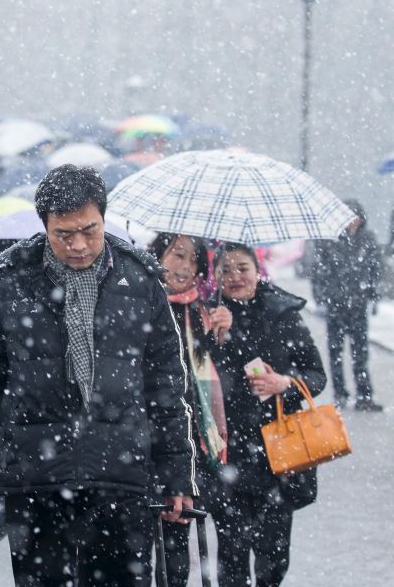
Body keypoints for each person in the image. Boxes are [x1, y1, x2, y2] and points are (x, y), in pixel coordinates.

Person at [0, 164, 197, 587]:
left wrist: (177, 477)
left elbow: (167, 389)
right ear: (44, 226)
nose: (80, 244)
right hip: (36, 476)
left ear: (105, 219)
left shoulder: (139, 280)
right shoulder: (11, 282)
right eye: (64, 234)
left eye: (90, 230)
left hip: (122, 475)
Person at [210, 243, 327, 586]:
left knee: (273, 557)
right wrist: (212, 336)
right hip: (225, 450)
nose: (234, 277)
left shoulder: (282, 312)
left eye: (242, 268)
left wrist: (285, 383)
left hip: (277, 454)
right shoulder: (207, 314)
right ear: (214, 275)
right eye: (225, 269)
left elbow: (316, 376)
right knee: (231, 554)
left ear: (257, 270)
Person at [147, 233, 232, 587]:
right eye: (176, 255)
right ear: (158, 255)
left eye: (192, 261)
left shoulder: (203, 311)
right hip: (147, 435)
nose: (183, 268)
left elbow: (220, 379)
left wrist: (223, 337)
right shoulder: (141, 300)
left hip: (193, 442)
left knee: (178, 537)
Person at [313, 199, 384, 411]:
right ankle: (340, 393)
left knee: (360, 352)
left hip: (358, 305)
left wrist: (373, 293)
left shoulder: (368, 240)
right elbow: (319, 272)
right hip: (336, 305)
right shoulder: (329, 240)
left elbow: (375, 269)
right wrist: (322, 298)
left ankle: (364, 395)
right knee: (336, 352)